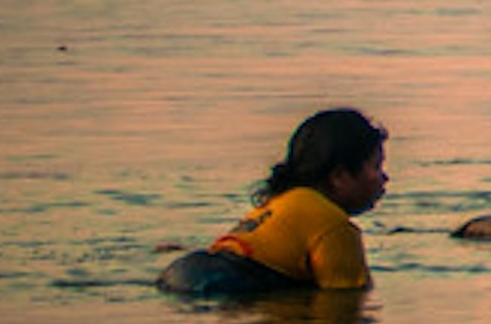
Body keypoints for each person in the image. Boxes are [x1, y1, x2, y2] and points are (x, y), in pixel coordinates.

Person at [159, 108, 387, 296]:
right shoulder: (334, 225)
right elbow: (346, 300)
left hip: (187, 269)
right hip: (223, 284)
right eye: (376, 166)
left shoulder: (282, 201)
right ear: (339, 176)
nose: (384, 177)